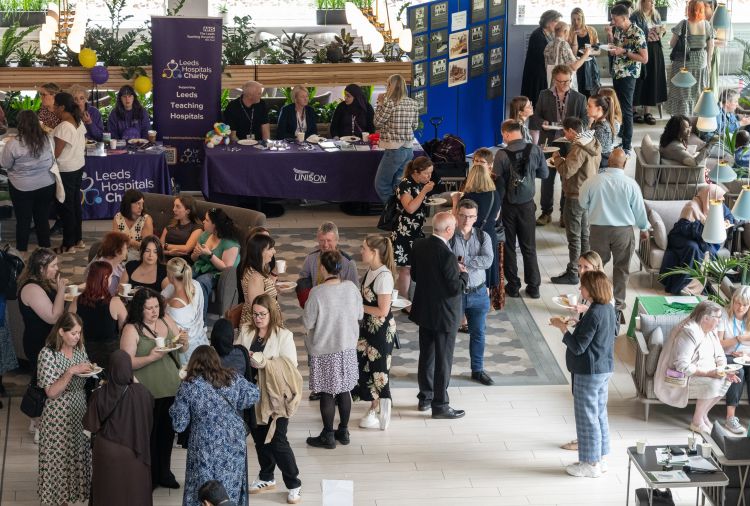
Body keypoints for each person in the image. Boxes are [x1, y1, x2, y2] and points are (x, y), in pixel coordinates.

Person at [170, 345, 260, 506]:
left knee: (204, 488)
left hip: (204, 444)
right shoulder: (232, 377)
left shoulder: (189, 385)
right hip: (234, 440)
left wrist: (173, 409)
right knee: (230, 485)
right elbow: (254, 394)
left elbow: (179, 424)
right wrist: (236, 402)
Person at [120, 288, 189, 489]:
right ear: (139, 309)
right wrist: (151, 357)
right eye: (148, 308)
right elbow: (126, 363)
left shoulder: (166, 319)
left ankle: (164, 472)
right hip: (145, 390)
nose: (153, 311)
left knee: (167, 434)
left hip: (171, 387)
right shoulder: (132, 329)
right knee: (147, 435)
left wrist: (184, 342)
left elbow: (181, 347)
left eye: (156, 306)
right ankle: (147, 476)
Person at [550, 271, 617, 478]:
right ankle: (601, 459)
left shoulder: (595, 312)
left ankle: (590, 463)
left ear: (593, 289)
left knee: (586, 418)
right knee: (599, 414)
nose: (580, 289)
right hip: (604, 368)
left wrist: (562, 328)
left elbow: (578, 347)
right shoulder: (607, 309)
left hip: (589, 371)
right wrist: (578, 325)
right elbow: (598, 334)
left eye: (583, 286)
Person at [237, 294, 303, 504]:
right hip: (253, 395)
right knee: (259, 439)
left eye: (262, 314)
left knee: (277, 441)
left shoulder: (284, 335)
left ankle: (294, 483)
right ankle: (267, 476)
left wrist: (265, 362)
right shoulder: (247, 331)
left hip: (276, 397)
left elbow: (291, 366)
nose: (258, 318)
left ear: (271, 313)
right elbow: (236, 355)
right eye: (255, 314)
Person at [410, 212, 468, 418]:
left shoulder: (419, 245)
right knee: (443, 360)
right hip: (445, 316)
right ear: (449, 230)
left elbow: (415, 275)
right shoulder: (447, 256)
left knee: (426, 356)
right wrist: (463, 273)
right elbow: (455, 288)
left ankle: (424, 398)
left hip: (425, 311)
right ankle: (441, 405)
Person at [303, 250, 363, 449]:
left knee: (328, 393)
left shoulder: (317, 292)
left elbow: (308, 322)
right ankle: (344, 431)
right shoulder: (351, 288)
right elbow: (360, 314)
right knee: (344, 390)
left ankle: (328, 435)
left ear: (322, 268)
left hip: (324, 348)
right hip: (347, 347)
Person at [579, 148, 648, 315]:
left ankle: (592, 300)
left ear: (608, 162)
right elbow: (639, 210)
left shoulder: (593, 181)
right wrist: (644, 228)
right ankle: (617, 305)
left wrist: (596, 208)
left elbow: (582, 203)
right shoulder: (631, 184)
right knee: (621, 268)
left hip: (598, 230)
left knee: (594, 267)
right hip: (623, 232)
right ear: (625, 164)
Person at [655, 301, 739, 433]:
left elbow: (720, 355)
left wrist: (724, 370)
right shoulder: (689, 332)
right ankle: (696, 421)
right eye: (717, 318)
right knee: (713, 383)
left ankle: (703, 414)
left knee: (728, 379)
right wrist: (709, 373)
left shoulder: (711, 331)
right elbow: (682, 365)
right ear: (706, 318)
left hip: (708, 373)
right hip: (683, 378)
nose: (719, 322)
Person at [83, 350, 154, 506]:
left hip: (106, 451)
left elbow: (91, 427)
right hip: (135, 450)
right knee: (134, 491)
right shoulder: (143, 393)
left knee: (107, 491)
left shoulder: (99, 394)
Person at [37, 313, 92, 504]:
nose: (77, 337)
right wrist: (70, 371)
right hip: (57, 415)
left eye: (79, 333)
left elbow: (85, 372)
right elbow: (51, 392)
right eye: (73, 333)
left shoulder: (80, 349)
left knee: (76, 454)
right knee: (58, 460)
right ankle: (59, 500)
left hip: (79, 409)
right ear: (61, 331)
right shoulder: (47, 354)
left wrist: (90, 370)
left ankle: (71, 497)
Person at [494, 120, 548, 299]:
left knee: (509, 246)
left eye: (503, 135)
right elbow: (544, 174)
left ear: (507, 133)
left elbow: (498, 182)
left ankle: (514, 286)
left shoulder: (501, 155)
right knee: (529, 247)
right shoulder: (535, 149)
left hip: (508, 206)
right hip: (527, 206)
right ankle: (534, 287)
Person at [530, 64, 588, 226]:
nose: (564, 85)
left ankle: (564, 214)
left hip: (569, 145)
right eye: (560, 82)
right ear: (554, 80)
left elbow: (584, 120)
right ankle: (546, 212)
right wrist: (544, 123)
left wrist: (573, 129)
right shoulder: (544, 95)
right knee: (547, 179)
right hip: (549, 142)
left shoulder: (579, 98)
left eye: (567, 81)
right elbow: (536, 117)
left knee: (566, 180)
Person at [550, 116, 602, 285]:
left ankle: (573, 272)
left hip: (575, 196)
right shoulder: (593, 142)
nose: (565, 135)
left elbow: (566, 171)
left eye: (565, 132)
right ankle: (588, 269)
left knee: (574, 237)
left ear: (572, 131)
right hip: (588, 194)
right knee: (585, 235)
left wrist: (557, 158)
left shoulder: (578, 148)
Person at [353, 234, 398, 430]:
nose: (361, 251)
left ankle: (381, 407)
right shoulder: (370, 270)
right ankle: (374, 403)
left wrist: (358, 306)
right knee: (362, 364)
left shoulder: (384, 276)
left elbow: (383, 310)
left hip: (381, 330)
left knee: (379, 369)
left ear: (374, 252)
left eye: (364, 248)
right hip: (368, 328)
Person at [449, 200, 494, 385]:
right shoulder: (450, 236)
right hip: (456, 293)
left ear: (476, 217)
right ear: (457, 215)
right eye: (463, 215)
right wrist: (469, 262)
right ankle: (443, 370)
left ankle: (478, 370)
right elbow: (448, 261)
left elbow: (488, 261)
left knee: (478, 333)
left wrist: (464, 262)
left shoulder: (484, 237)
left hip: (478, 293)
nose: (467, 220)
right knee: (448, 333)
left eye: (471, 216)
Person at [659, 185, 734, 295]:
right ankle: (682, 286)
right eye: (718, 198)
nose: (721, 201)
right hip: (683, 237)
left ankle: (697, 288)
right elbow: (684, 228)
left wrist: (725, 222)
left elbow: (729, 217)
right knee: (693, 248)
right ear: (710, 196)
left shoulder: (718, 205)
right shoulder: (692, 206)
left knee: (708, 251)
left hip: (704, 239)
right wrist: (704, 224)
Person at [1, 109, 55, 251]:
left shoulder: (13, 144)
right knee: (42, 219)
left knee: (23, 220)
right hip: (46, 184)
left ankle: (22, 252)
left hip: (21, 187)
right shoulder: (47, 139)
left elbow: (5, 164)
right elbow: (52, 159)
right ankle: (45, 249)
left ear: (19, 124)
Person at [69, 260, 127, 373]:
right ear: (105, 278)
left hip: (83, 354)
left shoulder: (77, 300)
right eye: (110, 277)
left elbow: (69, 326)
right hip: (110, 357)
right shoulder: (115, 302)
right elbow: (125, 329)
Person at [452, 164, 501, 292]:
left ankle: (472, 296)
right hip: (490, 233)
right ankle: (487, 298)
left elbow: (456, 219)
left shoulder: (469, 197)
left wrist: (455, 201)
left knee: (473, 268)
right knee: (488, 267)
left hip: (474, 236)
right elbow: (496, 216)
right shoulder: (495, 194)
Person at [18, 248, 66, 375]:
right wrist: (61, 290)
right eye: (53, 265)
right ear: (41, 268)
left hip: (49, 341)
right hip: (39, 344)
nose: (57, 268)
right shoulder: (31, 288)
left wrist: (56, 288)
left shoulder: (43, 282)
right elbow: (53, 317)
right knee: (45, 384)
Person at [607, 3, 648, 156]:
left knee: (626, 109)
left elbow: (644, 59)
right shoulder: (618, 30)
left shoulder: (638, 33)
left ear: (624, 18)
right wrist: (613, 50)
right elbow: (617, 48)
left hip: (628, 75)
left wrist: (624, 51)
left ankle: (627, 145)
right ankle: (620, 137)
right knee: (617, 107)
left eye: (615, 19)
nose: (613, 22)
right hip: (617, 73)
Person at [392, 156, 434, 301]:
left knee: (412, 267)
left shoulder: (419, 183)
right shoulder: (405, 184)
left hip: (416, 230)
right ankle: (403, 300)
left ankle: (410, 297)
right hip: (405, 232)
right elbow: (409, 208)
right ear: (416, 172)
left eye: (431, 173)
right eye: (426, 173)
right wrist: (424, 193)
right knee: (405, 268)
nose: (429, 176)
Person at [373, 74, 420, 203]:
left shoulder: (389, 103)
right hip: (408, 149)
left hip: (394, 149)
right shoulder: (413, 103)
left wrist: (380, 103)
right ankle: (400, 211)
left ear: (390, 86)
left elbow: (377, 122)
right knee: (398, 185)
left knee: (381, 184)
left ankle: (392, 210)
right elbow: (415, 125)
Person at [52, 91, 87, 254]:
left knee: (66, 208)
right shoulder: (78, 120)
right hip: (78, 166)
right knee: (74, 205)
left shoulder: (63, 127)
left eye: (55, 105)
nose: (53, 108)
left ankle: (68, 244)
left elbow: (56, 153)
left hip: (66, 170)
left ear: (62, 107)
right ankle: (78, 239)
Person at [666, 0, 714, 118]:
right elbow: (710, 46)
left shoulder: (683, 24)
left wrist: (668, 42)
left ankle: (681, 119)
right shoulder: (707, 25)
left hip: (683, 62)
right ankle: (694, 118)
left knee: (682, 91)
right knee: (696, 91)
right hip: (700, 62)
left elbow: (672, 44)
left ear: (689, 9)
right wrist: (708, 64)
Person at [191, 208, 241, 318]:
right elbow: (194, 259)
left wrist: (210, 255)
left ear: (215, 225)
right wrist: (196, 254)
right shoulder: (205, 235)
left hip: (217, 273)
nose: (203, 222)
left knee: (201, 282)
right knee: (183, 276)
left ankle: (201, 321)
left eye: (207, 220)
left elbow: (226, 268)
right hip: (201, 266)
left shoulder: (230, 243)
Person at [297, 221, 359, 309]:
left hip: (339, 308)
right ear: (318, 240)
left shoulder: (348, 263)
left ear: (337, 240)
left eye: (329, 240)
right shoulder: (310, 258)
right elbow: (302, 279)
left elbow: (355, 291)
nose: (325, 245)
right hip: (317, 305)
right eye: (322, 240)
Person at [716, 287, 750, 434]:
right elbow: (718, 343)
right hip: (727, 355)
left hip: (747, 357)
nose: (740, 307)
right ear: (733, 301)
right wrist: (737, 339)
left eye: (745, 304)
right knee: (738, 371)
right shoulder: (724, 314)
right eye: (737, 303)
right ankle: (730, 418)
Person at [162, 258, 207, 365]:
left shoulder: (174, 306)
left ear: (171, 277)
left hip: (186, 350)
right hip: (201, 341)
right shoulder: (196, 285)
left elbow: (172, 332)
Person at [631, 0, 667, 125]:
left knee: (652, 79)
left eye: (653, 1)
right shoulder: (635, 15)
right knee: (639, 80)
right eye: (650, 1)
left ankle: (647, 111)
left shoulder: (656, 15)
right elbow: (632, 35)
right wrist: (647, 36)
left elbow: (661, 31)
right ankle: (634, 110)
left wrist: (660, 33)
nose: (653, 3)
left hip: (655, 50)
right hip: (641, 50)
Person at [521, 10, 563, 105]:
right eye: (556, 21)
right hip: (537, 75)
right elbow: (544, 55)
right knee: (536, 101)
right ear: (548, 22)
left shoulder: (549, 34)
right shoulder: (537, 36)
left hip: (543, 72)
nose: (558, 25)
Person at [238, 233, 279, 327]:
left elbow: (263, 292)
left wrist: (274, 274)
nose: (274, 252)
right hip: (260, 327)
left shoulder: (257, 270)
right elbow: (258, 311)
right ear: (260, 252)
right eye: (270, 248)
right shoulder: (255, 277)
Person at [544, 21, 591, 87]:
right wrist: (586, 54)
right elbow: (574, 67)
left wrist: (575, 36)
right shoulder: (563, 44)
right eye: (568, 32)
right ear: (565, 31)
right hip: (563, 83)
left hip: (552, 82)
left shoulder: (548, 45)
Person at [568, 8, 601, 98]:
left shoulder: (591, 30)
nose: (576, 22)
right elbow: (572, 54)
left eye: (578, 19)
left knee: (590, 92)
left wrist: (588, 52)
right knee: (578, 90)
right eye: (573, 19)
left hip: (590, 64)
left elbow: (598, 51)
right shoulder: (569, 32)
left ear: (583, 18)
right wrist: (574, 35)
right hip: (576, 64)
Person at [113, 189, 154, 259]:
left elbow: (147, 246)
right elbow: (114, 240)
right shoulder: (118, 217)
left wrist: (129, 241)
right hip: (119, 252)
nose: (141, 207)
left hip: (137, 255)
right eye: (138, 203)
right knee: (101, 259)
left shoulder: (146, 220)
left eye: (142, 203)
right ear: (128, 204)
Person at [161, 195, 203, 262]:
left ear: (188, 211)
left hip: (182, 263)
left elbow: (186, 248)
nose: (174, 209)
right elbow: (158, 248)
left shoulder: (197, 228)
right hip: (164, 259)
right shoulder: (170, 226)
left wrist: (166, 246)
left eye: (177, 206)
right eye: (174, 206)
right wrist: (169, 253)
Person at [587, 94, 619, 169]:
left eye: (589, 106)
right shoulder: (607, 122)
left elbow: (594, 151)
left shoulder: (601, 129)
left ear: (599, 109)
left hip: (600, 166)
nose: (586, 108)